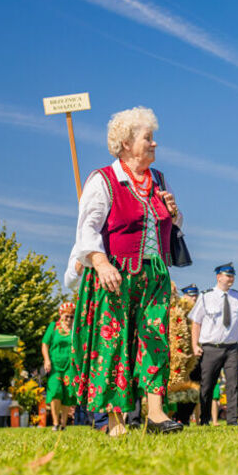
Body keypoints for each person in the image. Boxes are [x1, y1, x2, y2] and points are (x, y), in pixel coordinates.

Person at [67, 106, 184, 436]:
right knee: (115, 343)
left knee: (156, 339)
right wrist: (101, 263)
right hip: (115, 274)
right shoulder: (103, 179)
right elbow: (87, 229)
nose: (154, 144)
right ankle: (116, 420)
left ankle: (156, 414)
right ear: (126, 143)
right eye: (148, 138)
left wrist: (174, 214)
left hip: (155, 274)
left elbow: (170, 227)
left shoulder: (157, 179)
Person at [190, 262, 238, 426]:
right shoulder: (206, 296)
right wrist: (195, 345)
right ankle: (204, 419)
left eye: (233, 275)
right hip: (210, 348)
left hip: (232, 348)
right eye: (228, 275)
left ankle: (233, 420)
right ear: (218, 277)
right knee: (207, 385)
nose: (231, 278)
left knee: (233, 384)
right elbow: (196, 322)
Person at [42, 302, 77, 431]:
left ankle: (63, 424)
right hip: (55, 365)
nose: (69, 319)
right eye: (66, 316)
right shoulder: (53, 327)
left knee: (68, 393)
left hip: (70, 365)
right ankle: (55, 423)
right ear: (61, 315)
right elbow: (45, 344)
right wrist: (47, 360)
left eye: (71, 317)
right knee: (55, 391)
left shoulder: (75, 330)